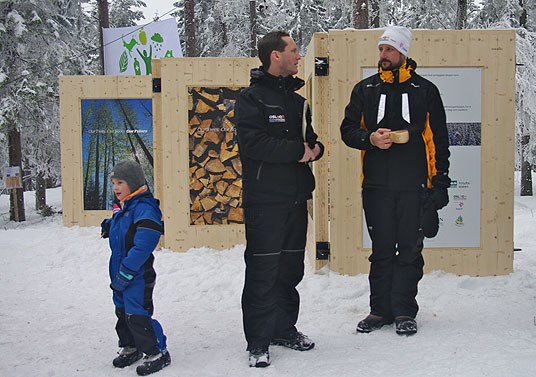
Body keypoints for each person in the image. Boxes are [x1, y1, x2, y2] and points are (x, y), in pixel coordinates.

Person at [340, 26, 451, 336]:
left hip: (415, 185)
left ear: (403, 52)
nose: (383, 55)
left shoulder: (425, 90)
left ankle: (404, 310)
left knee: (410, 251)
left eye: (389, 49)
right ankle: (379, 311)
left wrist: (440, 181)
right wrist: (369, 139)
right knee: (382, 250)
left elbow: (440, 140)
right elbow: (347, 131)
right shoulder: (365, 89)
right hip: (376, 186)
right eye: (380, 49)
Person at [235, 31, 324, 367]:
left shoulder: (299, 101)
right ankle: (258, 341)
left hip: (296, 198)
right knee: (263, 270)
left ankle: (284, 329)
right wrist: (296, 151)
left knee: (289, 270)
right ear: (276, 56)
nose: (299, 56)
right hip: (265, 201)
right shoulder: (252, 99)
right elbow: (253, 145)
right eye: (293, 50)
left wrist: (316, 149)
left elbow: (309, 139)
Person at [101, 160, 171, 376]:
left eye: (120, 182)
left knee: (137, 313)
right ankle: (131, 346)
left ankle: (157, 352)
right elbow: (125, 228)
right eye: (113, 183)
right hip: (119, 270)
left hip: (137, 273)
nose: (115, 187)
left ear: (133, 183)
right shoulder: (125, 207)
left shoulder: (145, 208)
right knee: (122, 311)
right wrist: (110, 224)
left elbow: (144, 243)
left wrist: (127, 270)